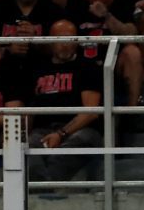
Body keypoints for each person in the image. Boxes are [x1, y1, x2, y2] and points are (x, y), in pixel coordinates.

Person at [27, 18, 104, 181]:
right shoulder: (38, 68)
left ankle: (45, 191)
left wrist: (60, 134)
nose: (65, 44)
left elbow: (91, 112)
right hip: (43, 130)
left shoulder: (87, 67)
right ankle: (42, 191)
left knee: (78, 143)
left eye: (69, 39)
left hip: (78, 130)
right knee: (25, 147)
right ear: (50, 41)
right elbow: (29, 109)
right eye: (59, 39)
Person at [67, 0, 143, 107]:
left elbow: (131, 36)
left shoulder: (122, 6)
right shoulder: (76, 9)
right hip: (83, 68)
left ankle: (133, 113)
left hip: (113, 67)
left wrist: (107, 16)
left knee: (133, 52)